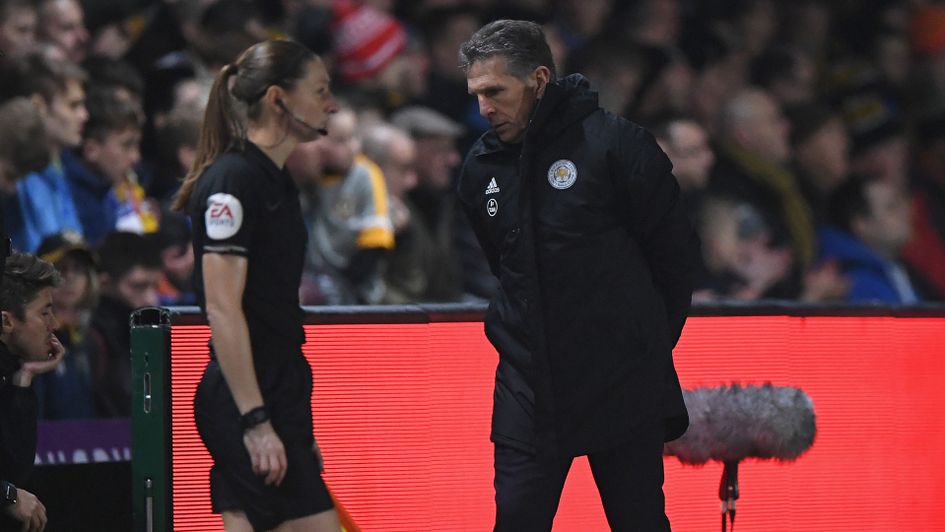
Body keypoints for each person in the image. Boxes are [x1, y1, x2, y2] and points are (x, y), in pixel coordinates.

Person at [457, 20, 698, 531]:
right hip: (528, 387)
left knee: (640, 522)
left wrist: (644, 341)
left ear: (539, 80)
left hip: (621, 380)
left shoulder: (617, 146)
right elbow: (506, 268)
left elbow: (675, 258)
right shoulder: (481, 170)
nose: (484, 109)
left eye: (496, 92)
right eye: (476, 94)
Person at [172, 40, 340, 531]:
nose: (331, 104)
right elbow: (223, 310)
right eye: (321, 90)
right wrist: (256, 421)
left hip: (277, 391)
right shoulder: (233, 182)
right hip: (247, 400)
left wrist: (292, 422)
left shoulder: (277, 179)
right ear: (277, 99)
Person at [0, 251, 66, 532]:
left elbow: (16, 467)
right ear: (7, 321)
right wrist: (7, 495)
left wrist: (26, 377)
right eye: (44, 312)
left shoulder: (10, 371)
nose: (54, 325)